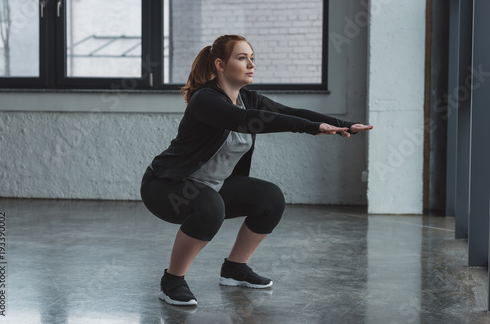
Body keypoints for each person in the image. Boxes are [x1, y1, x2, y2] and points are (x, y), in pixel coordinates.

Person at [140, 35, 373, 306]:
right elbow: (245, 121)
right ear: (220, 64)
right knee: (210, 206)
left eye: (252, 58)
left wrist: (343, 124)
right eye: (242, 58)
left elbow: (292, 111)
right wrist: (310, 128)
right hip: (167, 187)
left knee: (270, 198)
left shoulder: (248, 99)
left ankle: (234, 269)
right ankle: (172, 281)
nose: (251, 64)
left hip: (212, 185)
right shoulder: (206, 99)